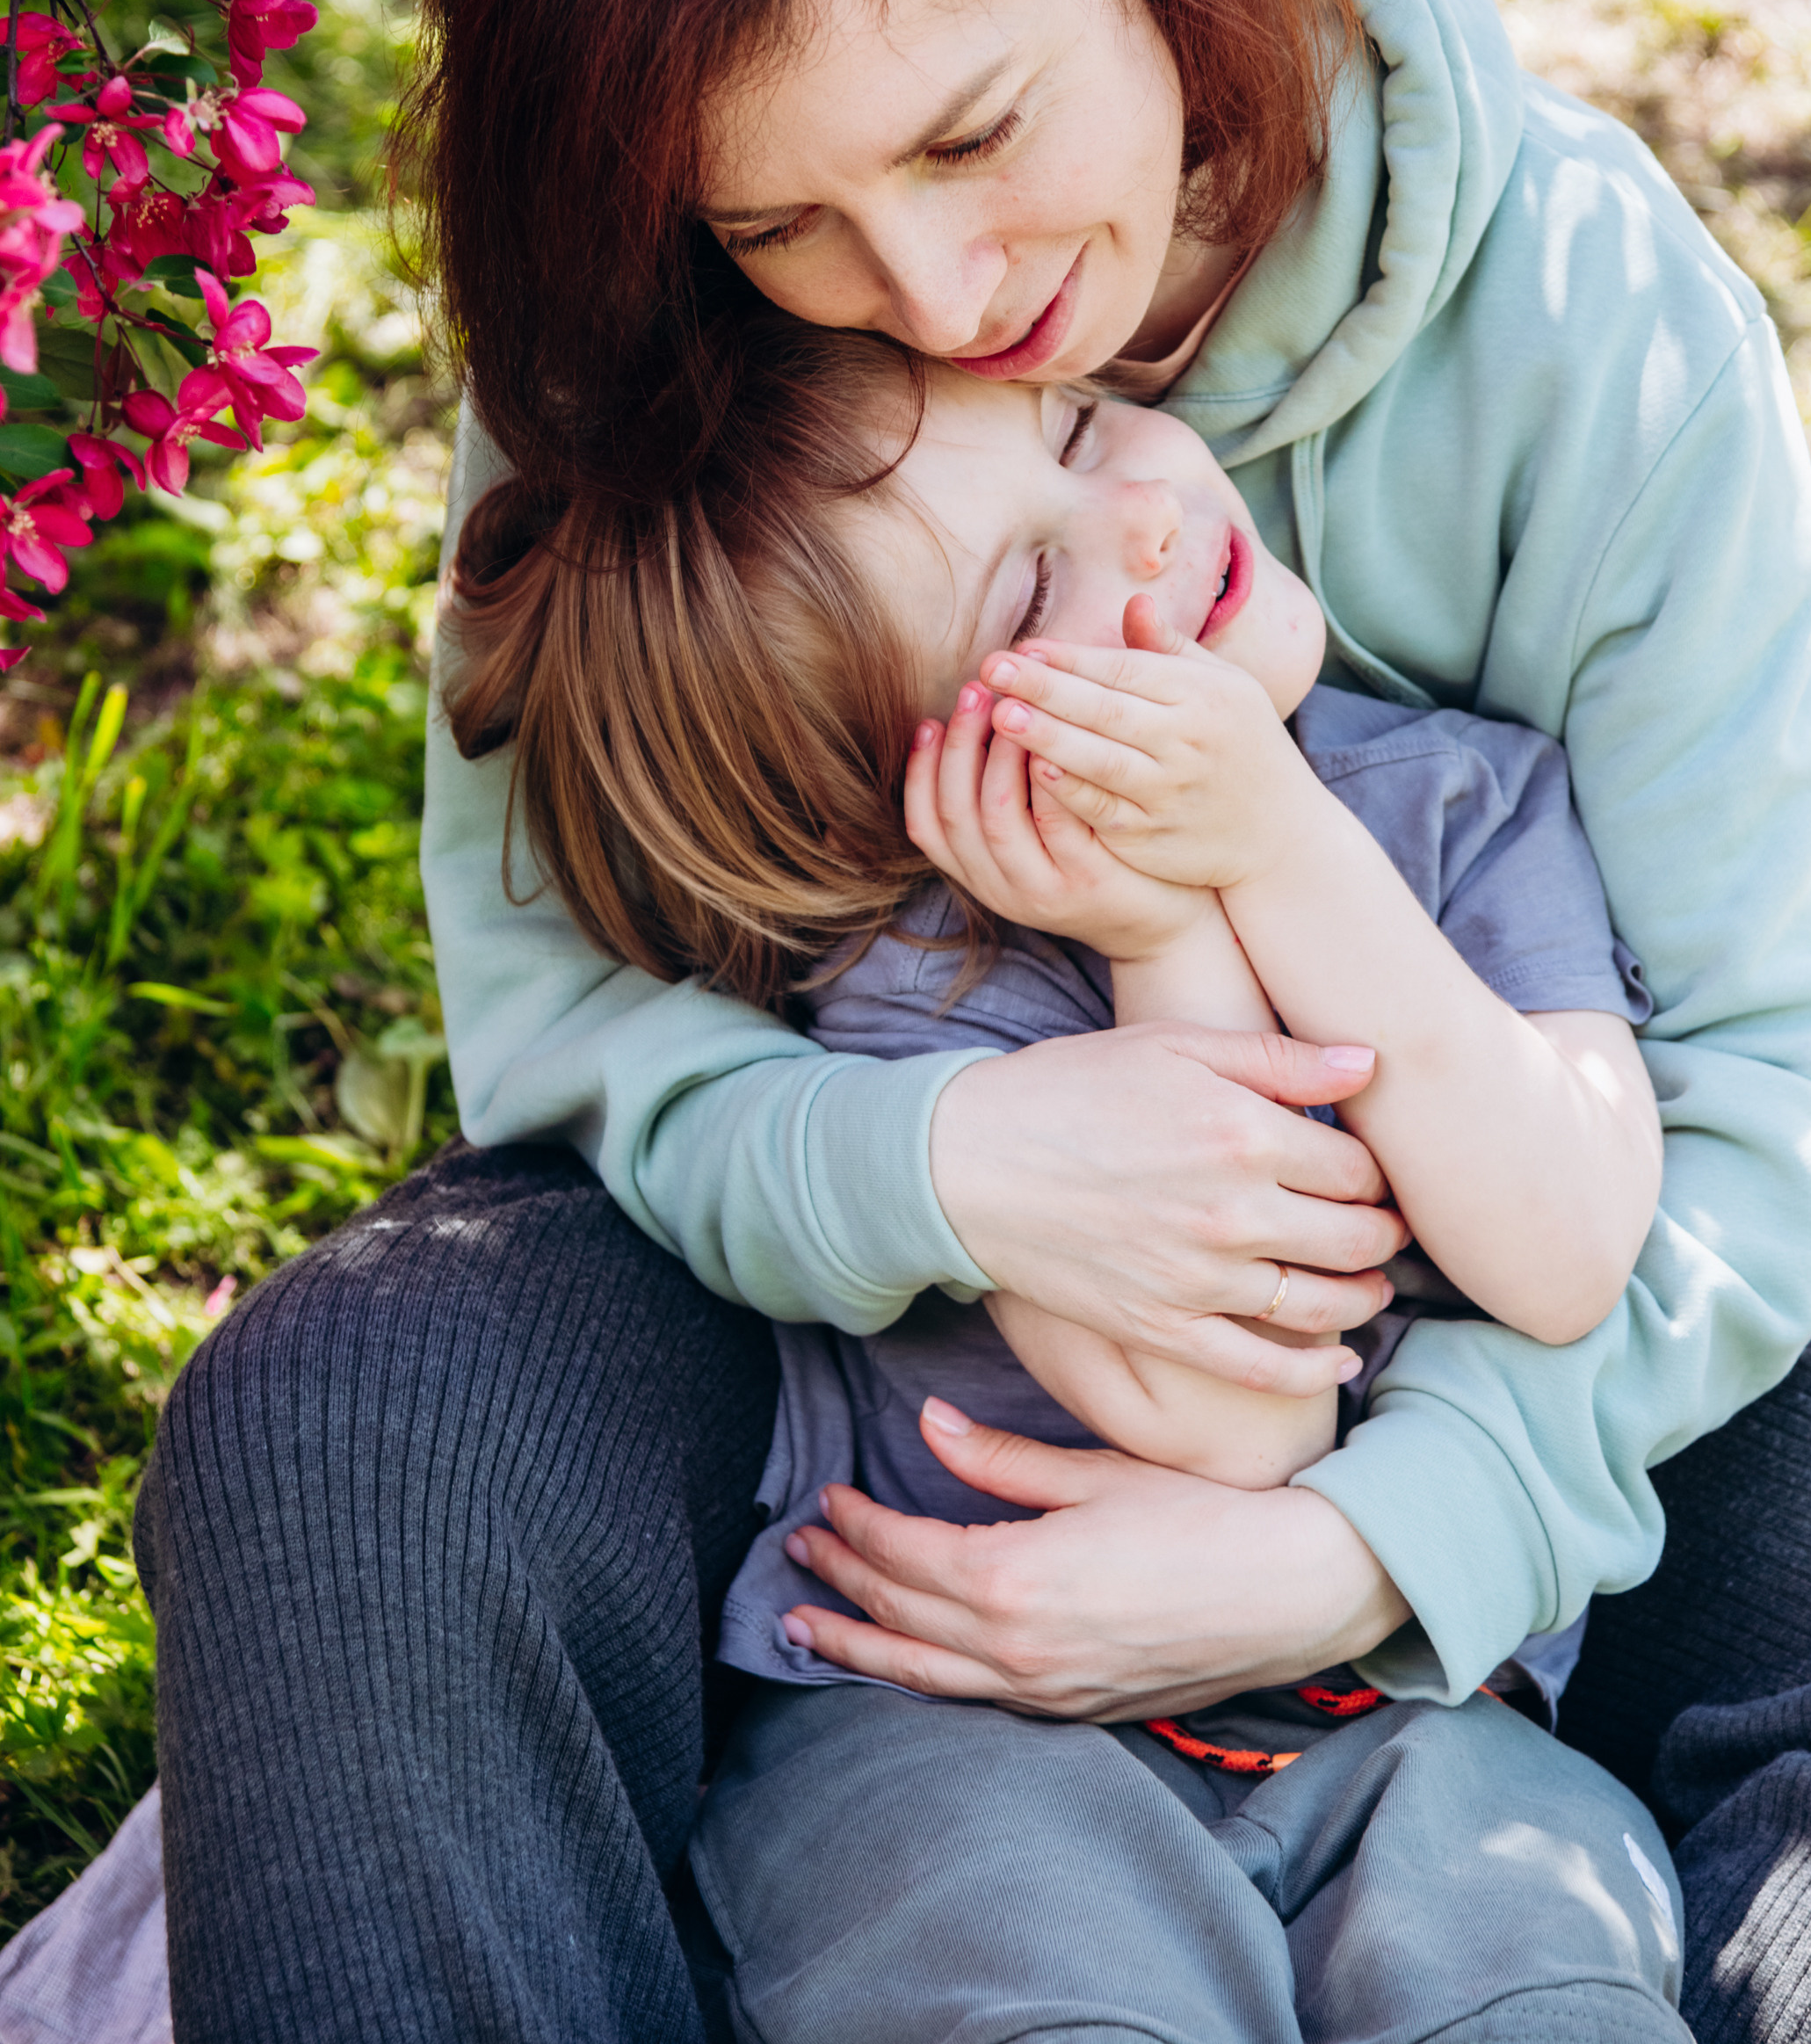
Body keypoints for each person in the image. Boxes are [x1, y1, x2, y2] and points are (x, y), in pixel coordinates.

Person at [133, 0, 1811, 2044]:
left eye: (964, 136)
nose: (936, 305)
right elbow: (578, 1018)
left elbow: (1746, 1122)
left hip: (1543, 1361)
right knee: (356, 1433)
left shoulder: (1595, 332)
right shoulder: (662, 330)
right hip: (872, 1383)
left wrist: (1367, 1541)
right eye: (784, 229)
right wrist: (943, 1170)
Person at [445, 327, 1686, 2038]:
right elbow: (1232, 1427)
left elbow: (1563, 1250)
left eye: (1084, 424)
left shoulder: (1469, 806)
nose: (1146, 518)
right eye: (1034, 594)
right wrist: (1168, 933)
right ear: (915, 783)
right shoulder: (923, 978)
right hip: (954, 1727)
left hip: (1416, 1715)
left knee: (1543, 1983)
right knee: (1030, 1995)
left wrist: (1279, 848)